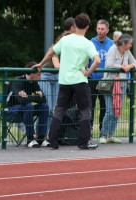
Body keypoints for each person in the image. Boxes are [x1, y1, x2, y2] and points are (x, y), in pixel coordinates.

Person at [32, 13, 100, 150]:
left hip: (64, 80)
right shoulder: (88, 43)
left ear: (75, 25)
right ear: (87, 26)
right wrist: (87, 72)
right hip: (80, 80)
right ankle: (83, 142)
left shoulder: (65, 40)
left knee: (59, 109)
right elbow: (97, 60)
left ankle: (53, 141)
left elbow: (51, 52)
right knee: (85, 110)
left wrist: (40, 63)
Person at [99, 34, 136, 144]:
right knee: (110, 110)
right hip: (110, 84)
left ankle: (111, 134)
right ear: (124, 44)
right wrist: (121, 66)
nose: (130, 46)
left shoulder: (127, 52)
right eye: (129, 44)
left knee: (117, 110)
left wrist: (129, 66)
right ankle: (103, 134)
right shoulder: (112, 49)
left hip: (122, 84)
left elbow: (135, 62)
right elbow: (109, 64)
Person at [38, 17, 75, 132]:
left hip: (57, 77)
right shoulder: (56, 47)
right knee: (47, 107)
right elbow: (57, 65)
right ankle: (39, 133)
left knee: (53, 108)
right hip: (47, 76)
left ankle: (47, 133)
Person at [7, 62, 49, 148]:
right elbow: (21, 100)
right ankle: (30, 139)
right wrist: (36, 97)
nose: (40, 76)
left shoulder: (34, 83)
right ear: (32, 74)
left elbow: (43, 99)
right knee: (28, 106)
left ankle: (41, 138)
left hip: (26, 109)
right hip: (11, 110)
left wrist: (28, 97)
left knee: (44, 107)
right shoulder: (17, 81)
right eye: (39, 74)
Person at [88, 19, 114, 137]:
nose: (100, 31)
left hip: (106, 80)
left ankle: (102, 132)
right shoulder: (90, 43)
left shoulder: (112, 44)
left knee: (105, 107)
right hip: (92, 79)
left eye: (102, 29)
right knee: (90, 106)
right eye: (98, 28)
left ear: (107, 30)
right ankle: (88, 131)